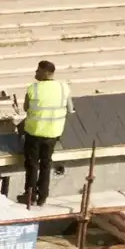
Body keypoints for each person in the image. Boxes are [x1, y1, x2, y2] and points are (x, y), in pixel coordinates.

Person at [21, 60, 73, 206]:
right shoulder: (64, 87)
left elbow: (25, 108)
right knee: (46, 164)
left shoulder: (33, 89)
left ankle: (30, 195)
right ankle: (42, 196)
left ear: (45, 72)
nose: (35, 73)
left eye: (38, 70)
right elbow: (70, 109)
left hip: (34, 133)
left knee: (32, 164)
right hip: (53, 134)